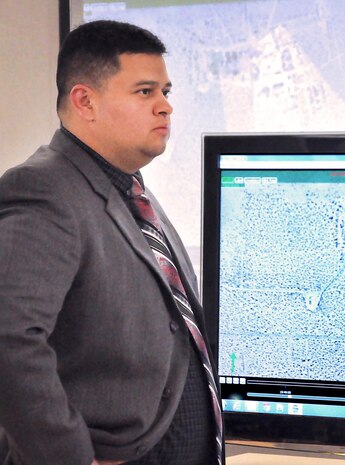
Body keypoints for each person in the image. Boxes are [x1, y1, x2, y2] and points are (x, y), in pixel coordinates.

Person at [0, 20, 222, 465]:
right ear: (85, 100)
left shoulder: (128, 189)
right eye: (145, 92)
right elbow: (8, 338)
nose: (165, 107)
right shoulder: (44, 190)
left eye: (166, 91)